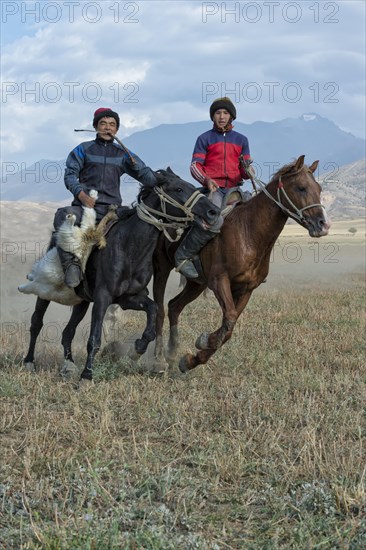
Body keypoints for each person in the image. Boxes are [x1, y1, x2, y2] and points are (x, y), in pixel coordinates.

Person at [54, 107, 157, 288]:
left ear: (116, 130)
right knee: (62, 215)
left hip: (112, 210)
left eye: (112, 125)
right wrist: (82, 195)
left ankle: (137, 276)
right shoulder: (82, 149)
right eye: (103, 124)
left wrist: (136, 162)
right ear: (96, 127)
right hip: (85, 209)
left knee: (142, 224)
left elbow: (148, 178)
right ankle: (71, 265)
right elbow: (69, 175)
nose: (107, 128)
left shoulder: (123, 154)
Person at [175, 97, 254, 279]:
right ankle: (185, 256)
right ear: (213, 116)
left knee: (255, 215)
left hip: (235, 189)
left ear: (231, 117)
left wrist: (249, 170)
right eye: (218, 113)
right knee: (213, 221)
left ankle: (252, 262)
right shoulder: (205, 138)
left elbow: (244, 170)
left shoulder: (242, 140)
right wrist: (207, 180)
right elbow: (195, 166)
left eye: (225, 113)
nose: (221, 116)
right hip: (214, 189)